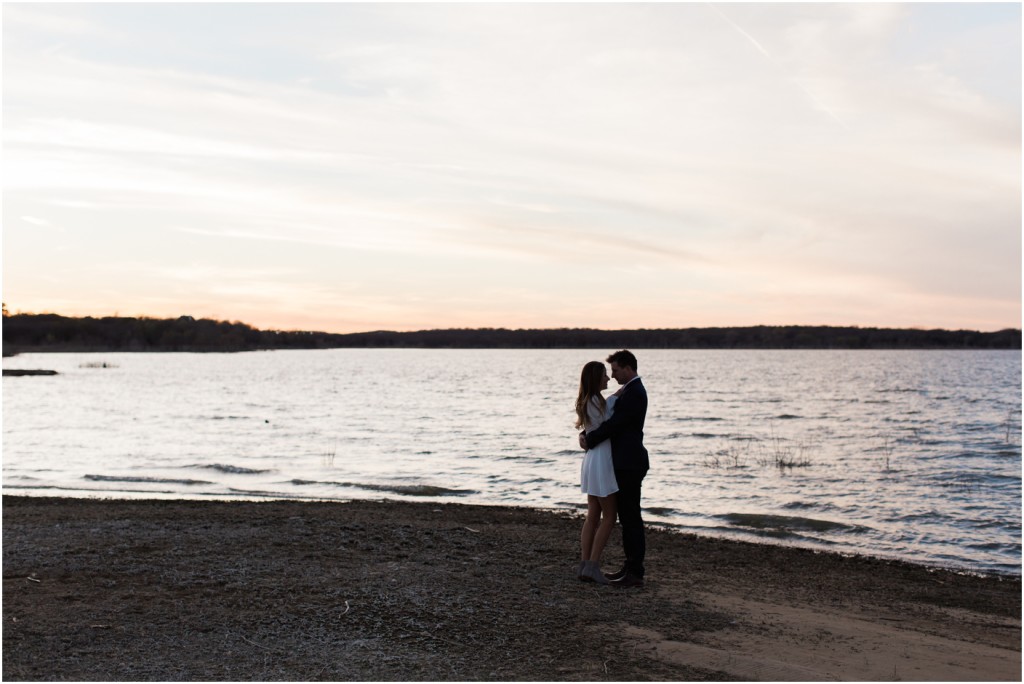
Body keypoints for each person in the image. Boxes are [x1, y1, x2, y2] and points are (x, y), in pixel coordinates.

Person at [579, 350, 649, 588]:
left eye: (616, 370)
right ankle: (620, 567)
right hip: (609, 461)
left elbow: (612, 424)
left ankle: (632, 570)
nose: (612, 376)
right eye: (608, 373)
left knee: (628, 518)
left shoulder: (634, 394)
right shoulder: (619, 395)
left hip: (626, 463)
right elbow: (605, 424)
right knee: (618, 517)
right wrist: (587, 437)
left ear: (628, 368)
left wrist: (588, 438)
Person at [574, 361, 619, 585]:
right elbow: (607, 425)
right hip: (600, 459)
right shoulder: (596, 401)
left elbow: (593, 428)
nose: (608, 379)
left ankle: (585, 564)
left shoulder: (588, 401)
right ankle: (592, 565)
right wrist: (616, 398)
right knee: (610, 516)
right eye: (604, 375)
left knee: (593, 514)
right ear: (595, 378)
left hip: (592, 459)